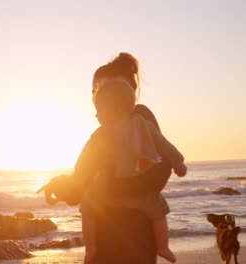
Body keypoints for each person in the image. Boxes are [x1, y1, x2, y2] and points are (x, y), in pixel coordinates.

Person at [78, 76, 187, 263]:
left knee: (87, 209)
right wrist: (179, 164)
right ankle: (163, 247)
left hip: (107, 196)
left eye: (100, 110)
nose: (96, 115)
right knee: (159, 212)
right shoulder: (145, 125)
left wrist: (78, 178)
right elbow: (165, 147)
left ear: (117, 109)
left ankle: (91, 248)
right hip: (141, 195)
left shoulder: (101, 134)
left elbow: (85, 161)